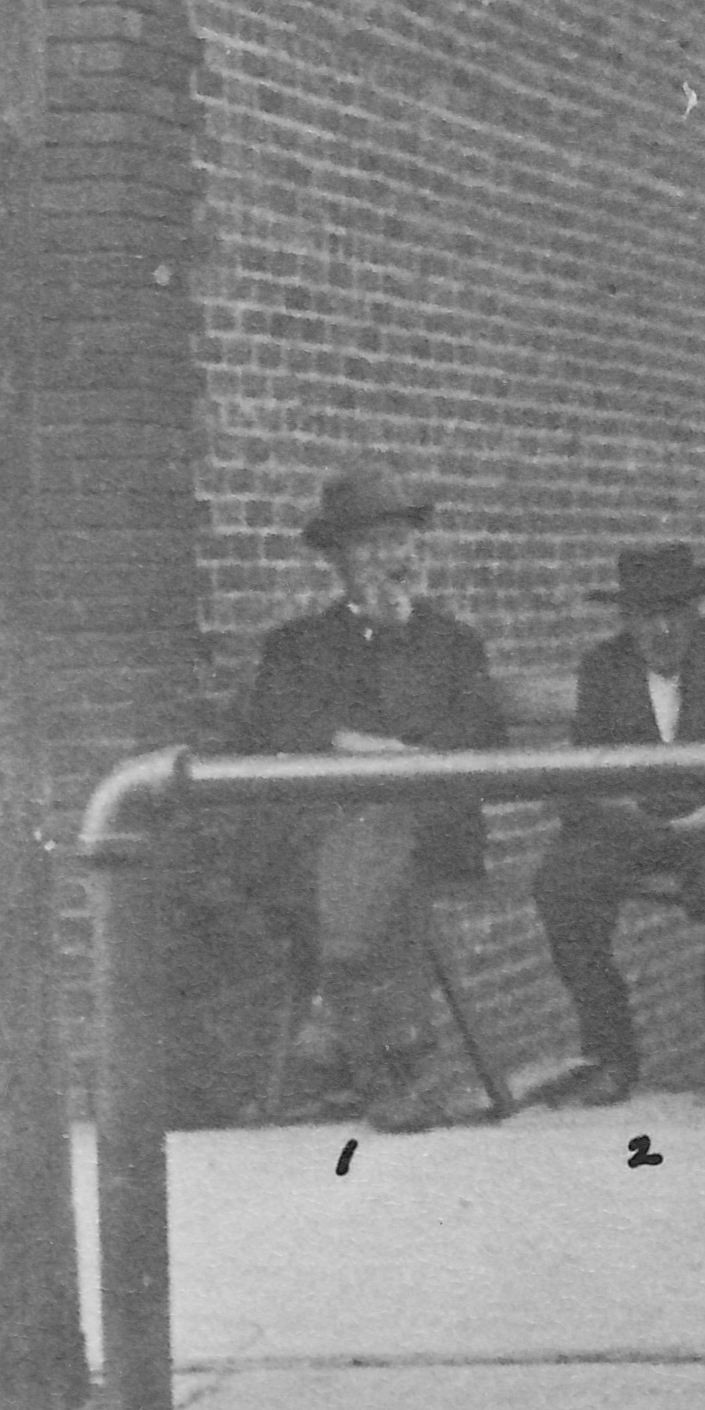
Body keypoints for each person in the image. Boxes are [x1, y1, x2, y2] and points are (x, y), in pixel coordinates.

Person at [230, 467, 508, 1133]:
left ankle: (338, 1020)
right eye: (371, 544)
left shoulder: (450, 644)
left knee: (382, 823)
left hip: (430, 829)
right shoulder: (298, 647)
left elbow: (472, 737)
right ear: (338, 560)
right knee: (363, 840)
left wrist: (400, 639)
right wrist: (364, 749)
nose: (391, 558)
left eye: (401, 541)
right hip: (316, 843)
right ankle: (401, 1070)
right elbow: (274, 730)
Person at [534, 544, 705, 1110]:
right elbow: (587, 780)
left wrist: (703, 821)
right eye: (647, 615)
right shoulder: (603, 669)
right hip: (637, 828)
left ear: (697, 612)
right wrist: (658, 825)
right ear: (627, 619)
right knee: (561, 882)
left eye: (675, 612)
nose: (663, 629)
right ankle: (611, 1053)